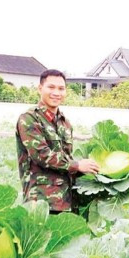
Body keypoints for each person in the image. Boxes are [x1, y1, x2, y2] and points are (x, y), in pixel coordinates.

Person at [15, 69, 99, 213]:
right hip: (41, 201)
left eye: (61, 88)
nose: (56, 93)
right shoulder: (29, 119)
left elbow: (66, 159)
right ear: (40, 89)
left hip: (67, 201)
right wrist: (77, 165)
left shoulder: (65, 123)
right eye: (51, 87)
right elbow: (41, 155)